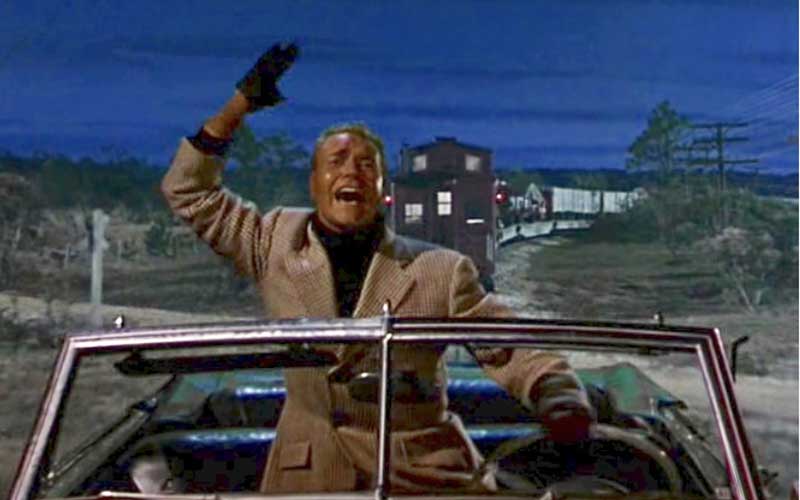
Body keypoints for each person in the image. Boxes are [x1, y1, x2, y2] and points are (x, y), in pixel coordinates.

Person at [161, 42, 593, 494]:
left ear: (383, 187)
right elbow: (187, 192)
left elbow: (509, 347)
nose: (353, 172)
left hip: (420, 475)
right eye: (337, 162)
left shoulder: (440, 270)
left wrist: (557, 393)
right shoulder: (272, 240)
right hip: (308, 474)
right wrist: (238, 106)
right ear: (314, 184)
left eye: (367, 165)